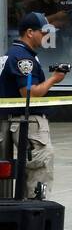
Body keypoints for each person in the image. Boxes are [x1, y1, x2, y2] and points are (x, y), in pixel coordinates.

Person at [0, 13, 68, 201]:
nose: (46, 36)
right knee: (40, 164)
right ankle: (35, 212)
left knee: (25, 168)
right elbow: (30, 92)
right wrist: (55, 78)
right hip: (28, 122)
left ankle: (25, 213)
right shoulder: (24, 58)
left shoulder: (14, 53)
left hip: (15, 120)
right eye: (43, 31)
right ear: (30, 32)